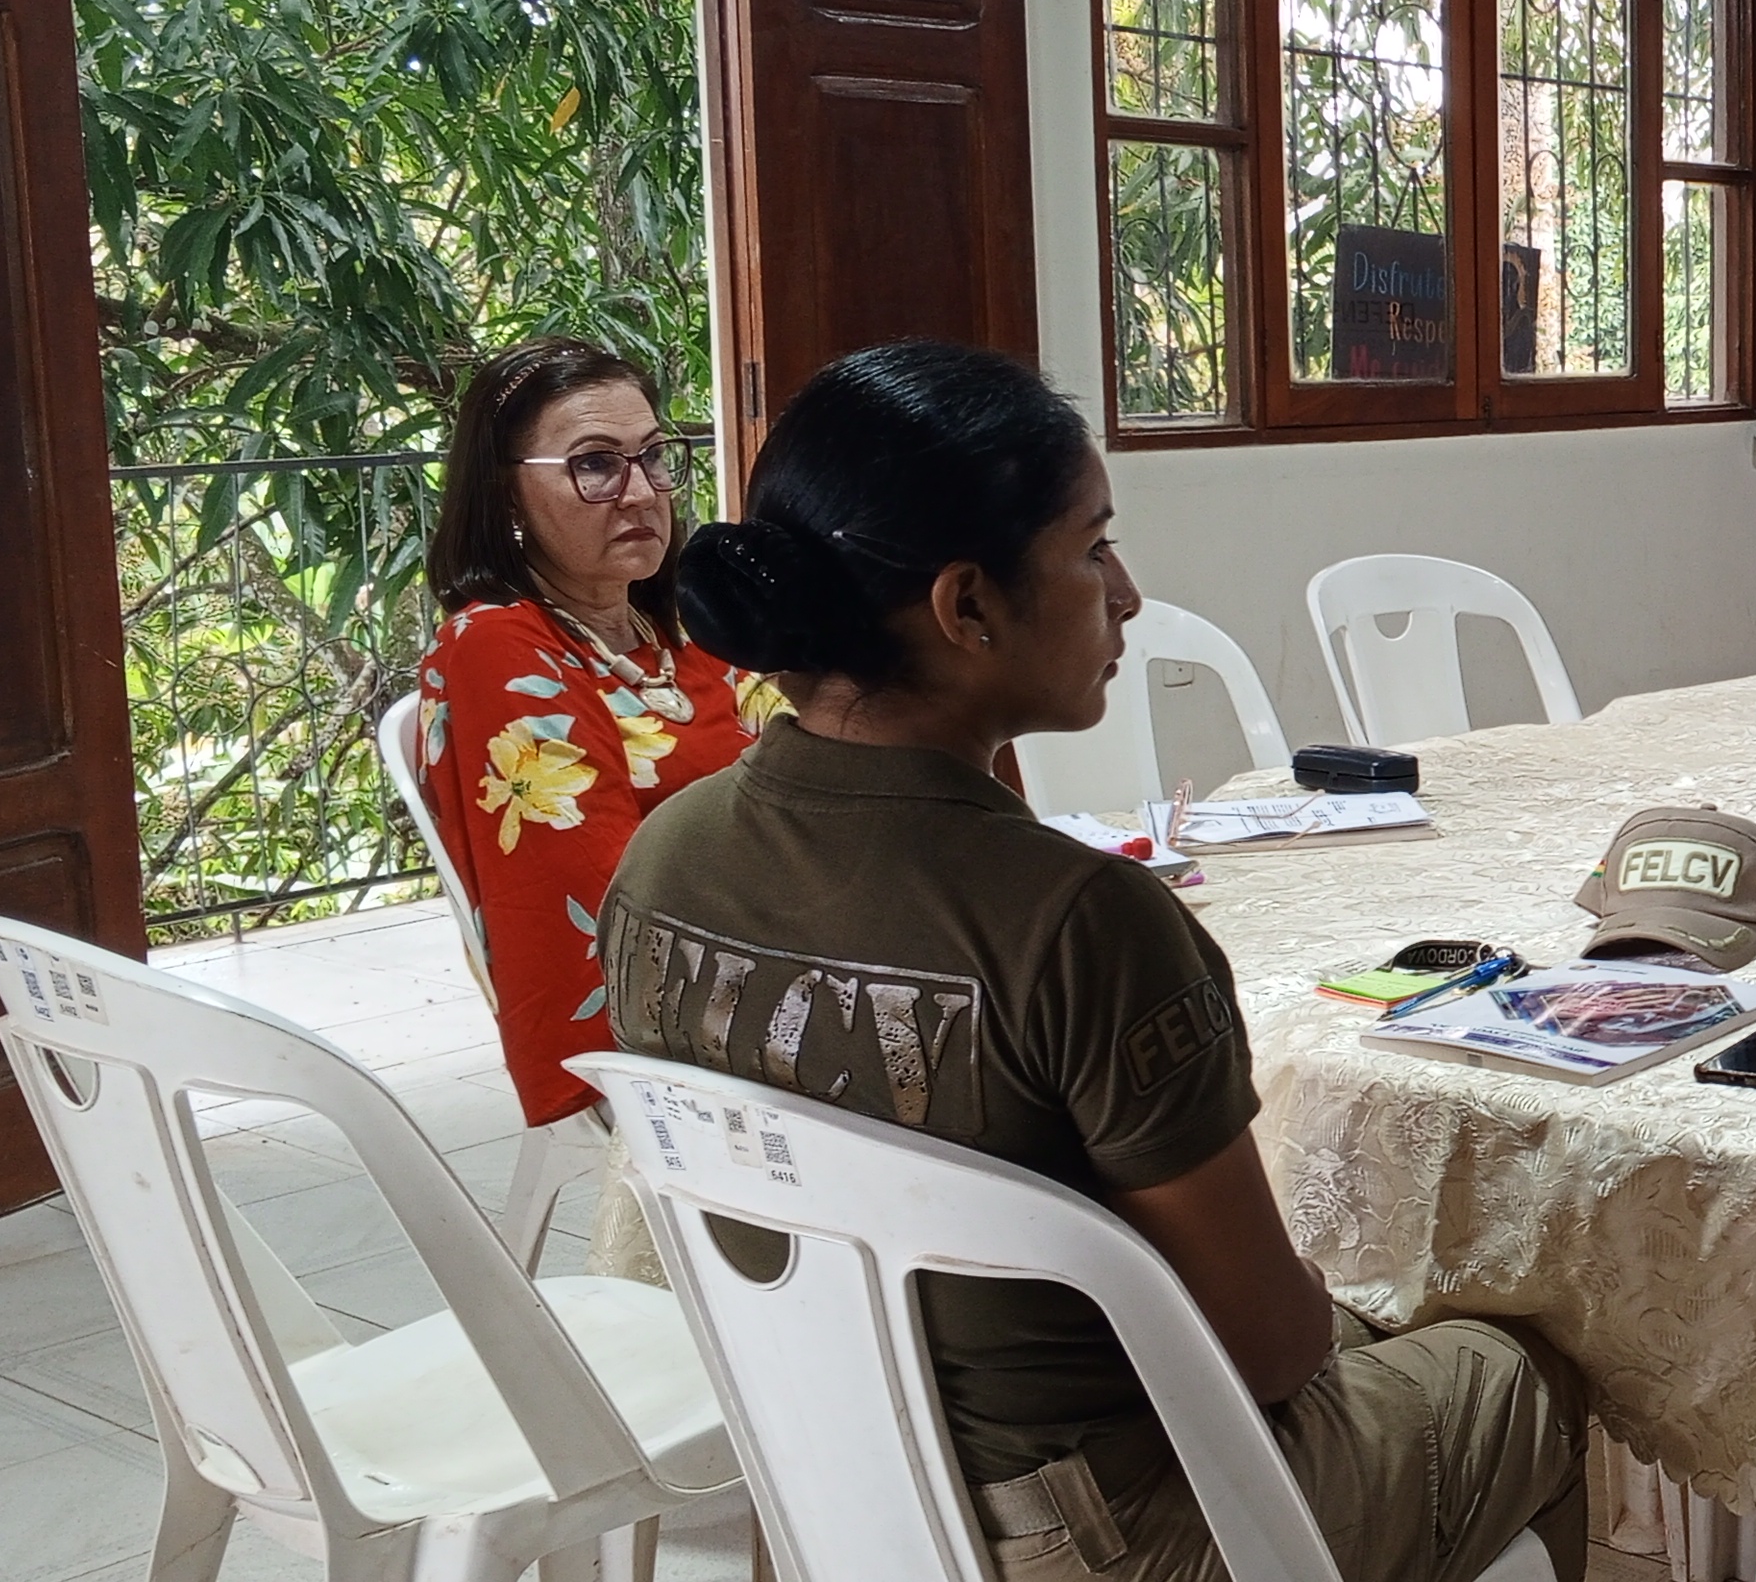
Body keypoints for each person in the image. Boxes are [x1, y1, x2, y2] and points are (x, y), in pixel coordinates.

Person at [602, 340, 1583, 1582]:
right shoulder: (1083, 922)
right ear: (967, 607)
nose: (1124, 593)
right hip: (1107, 1534)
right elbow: (1270, 1352)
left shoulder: (666, 855)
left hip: (831, 1490)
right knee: (1519, 1374)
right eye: (1092, 547)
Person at [419, 337, 772, 1134]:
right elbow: (603, 900)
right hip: (682, 1011)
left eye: (653, 456)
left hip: (786, 947)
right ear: (506, 497)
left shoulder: (676, 624)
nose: (641, 491)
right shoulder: (497, 649)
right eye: (595, 464)